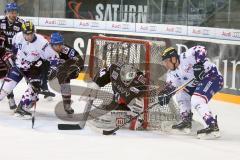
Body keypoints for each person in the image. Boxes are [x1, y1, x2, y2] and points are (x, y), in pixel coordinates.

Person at [158, 46, 223, 138]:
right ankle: (186, 122)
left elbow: (201, 49)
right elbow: (170, 86)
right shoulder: (171, 73)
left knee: (197, 99)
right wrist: (164, 94)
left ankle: (212, 126)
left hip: (212, 77)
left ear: (173, 58)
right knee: (180, 94)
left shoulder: (186, 56)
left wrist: (199, 64)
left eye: (166, 61)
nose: (165, 64)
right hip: (196, 84)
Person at [0, 21, 59, 117]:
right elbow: (14, 49)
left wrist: (52, 69)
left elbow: (54, 57)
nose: (28, 36)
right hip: (18, 66)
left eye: (30, 34)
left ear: (34, 31)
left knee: (34, 88)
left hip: (33, 69)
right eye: (26, 34)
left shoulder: (42, 43)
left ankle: (22, 108)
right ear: (22, 32)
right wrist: (11, 55)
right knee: (5, 90)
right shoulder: (18, 36)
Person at [85, 62, 148, 129]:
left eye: (129, 81)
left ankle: (136, 117)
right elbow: (104, 75)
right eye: (124, 80)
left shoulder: (140, 81)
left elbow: (144, 93)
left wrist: (125, 99)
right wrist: (96, 85)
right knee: (104, 111)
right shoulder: (114, 69)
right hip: (118, 100)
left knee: (135, 102)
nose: (126, 83)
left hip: (130, 103)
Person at [49, 32, 84, 114]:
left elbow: (80, 61)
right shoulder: (46, 49)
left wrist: (75, 68)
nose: (60, 46)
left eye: (61, 44)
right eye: (57, 45)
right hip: (49, 70)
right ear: (52, 44)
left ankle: (67, 104)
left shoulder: (67, 50)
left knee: (64, 77)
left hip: (62, 71)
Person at [0, 2, 24, 110]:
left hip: (16, 54)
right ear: (6, 12)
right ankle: (10, 98)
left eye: (14, 12)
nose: (12, 14)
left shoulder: (21, 24)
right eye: (10, 12)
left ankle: (39, 89)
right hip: (2, 53)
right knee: (4, 76)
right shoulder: (1, 22)